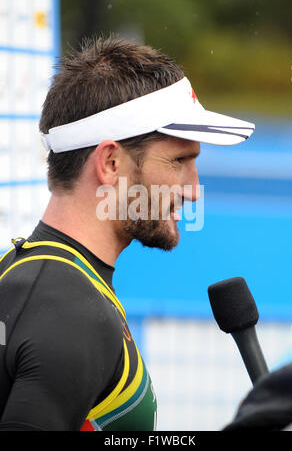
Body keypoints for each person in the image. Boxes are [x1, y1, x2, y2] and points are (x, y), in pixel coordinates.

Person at [0, 36, 254, 431]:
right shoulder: (70, 308)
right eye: (179, 162)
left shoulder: (41, 278)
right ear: (111, 162)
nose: (192, 188)